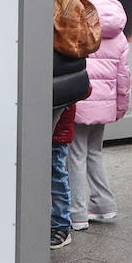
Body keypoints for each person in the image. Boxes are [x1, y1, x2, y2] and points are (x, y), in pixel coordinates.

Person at [67, 0, 130, 230]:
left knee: (76, 155)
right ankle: (104, 204)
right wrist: (119, 107)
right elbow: (123, 77)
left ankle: (78, 214)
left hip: (81, 101)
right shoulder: (119, 32)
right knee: (95, 153)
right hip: (103, 106)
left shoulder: (79, 23)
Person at [50, 104, 77, 249]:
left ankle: (62, 225)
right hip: (56, 130)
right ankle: (58, 223)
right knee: (56, 178)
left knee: (57, 178)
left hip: (57, 133)